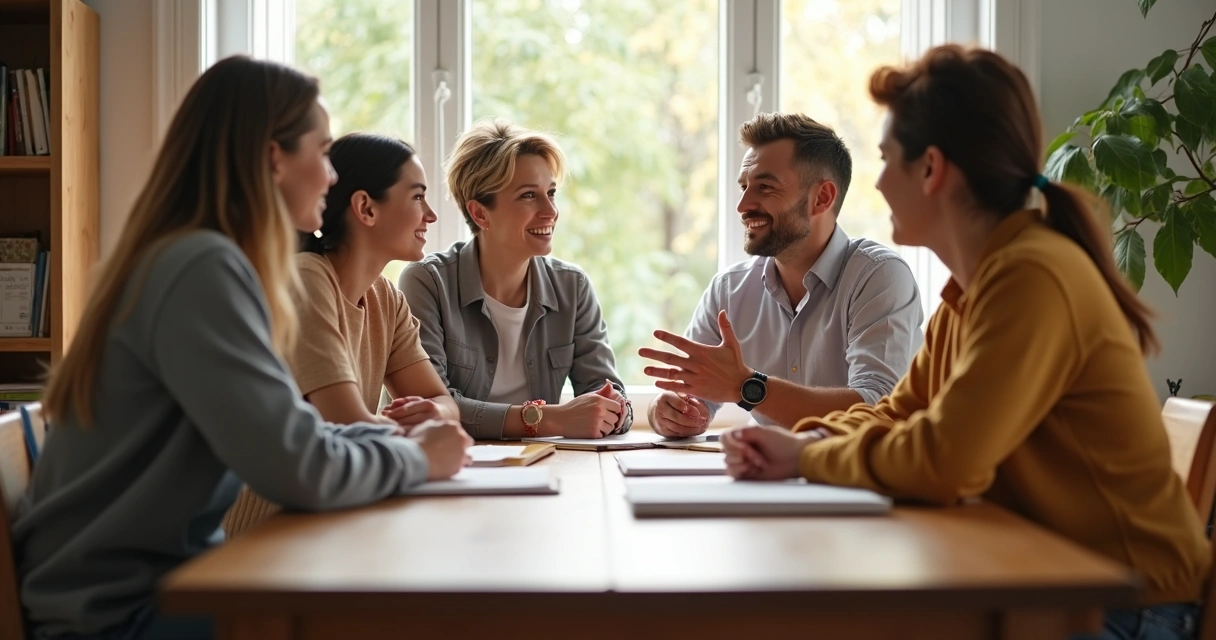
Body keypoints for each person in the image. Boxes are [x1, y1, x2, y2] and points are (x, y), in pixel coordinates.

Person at [721, 45, 1209, 640]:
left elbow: (944, 460)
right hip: (1054, 583)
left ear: (931, 169)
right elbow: (899, 412)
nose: (877, 181)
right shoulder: (972, 291)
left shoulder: (1032, 275)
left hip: (1130, 606)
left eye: (886, 160)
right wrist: (808, 440)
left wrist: (805, 458)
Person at [14, 57, 471, 640]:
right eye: (322, 152)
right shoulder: (202, 268)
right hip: (120, 613)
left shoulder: (196, 259)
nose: (331, 176)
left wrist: (396, 442)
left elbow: (299, 439)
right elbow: (298, 467)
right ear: (275, 159)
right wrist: (417, 457)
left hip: (162, 586)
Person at [640, 113, 922, 436]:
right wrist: (668, 412)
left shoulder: (879, 277)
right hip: (764, 464)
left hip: (854, 467)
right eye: (744, 187)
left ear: (822, 198)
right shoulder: (729, 290)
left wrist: (746, 386)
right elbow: (686, 394)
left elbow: (876, 409)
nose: (742, 205)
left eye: (765, 187)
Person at [400, 119, 631, 440]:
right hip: (449, 459)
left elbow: (605, 391)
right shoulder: (427, 283)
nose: (551, 211)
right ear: (480, 213)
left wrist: (615, 410)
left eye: (551, 193)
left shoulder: (573, 287)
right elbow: (431, 409)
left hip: (540, 461)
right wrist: (548, 420)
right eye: (528, 195)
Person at [290, 133, 458, 429]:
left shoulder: (386, 298)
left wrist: (436, 414)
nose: (430, 215)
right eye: (417, 197)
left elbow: (443, 403)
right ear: (366, 208)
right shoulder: (308, 279)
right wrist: (415, 430)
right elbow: (347, 424)